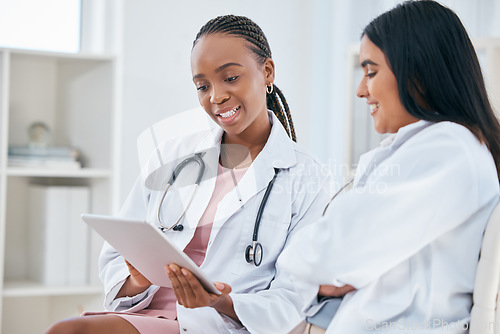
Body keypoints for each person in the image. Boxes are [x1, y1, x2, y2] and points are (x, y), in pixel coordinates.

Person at [44, 15, 330, 334]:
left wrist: (220, 302)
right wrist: (137, 279)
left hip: (219, 324)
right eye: (202, 86)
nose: (216, 97)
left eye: (231, 78)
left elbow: (295, 299)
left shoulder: (308, 178)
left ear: (267, 72)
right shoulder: (171, 156)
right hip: (148, 314)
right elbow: (116, 258)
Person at [280, 1, 500, 333]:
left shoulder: (448, 147)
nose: (360, 90)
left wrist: (326, 269)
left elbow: (320, 255)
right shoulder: (446, 147)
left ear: (418, 72)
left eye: (370, 72)